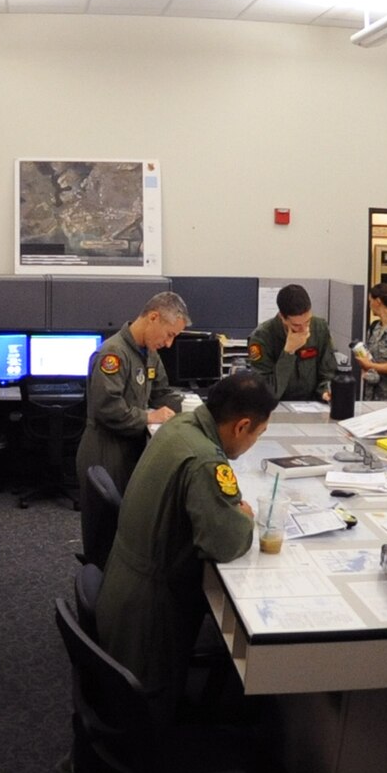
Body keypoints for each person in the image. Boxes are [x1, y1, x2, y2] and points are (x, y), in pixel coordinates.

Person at [94, 372, 274, 727]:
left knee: (126, 700)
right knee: (144, 714)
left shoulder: (180, 427)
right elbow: (224, 543)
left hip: (124, 581)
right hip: (152, 608)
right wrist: (243, 518)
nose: (255, 442)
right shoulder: (206, 460)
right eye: (259, 433)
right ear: (241, 426)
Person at [75, 291, 187, 511]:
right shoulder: (113, 353)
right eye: (169, 334)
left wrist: (197, 409)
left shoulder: (149, 353)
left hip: (129, 447)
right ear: (153, 317)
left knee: (124, 521)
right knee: (102, 529)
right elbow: (107, 408)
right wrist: (149, 416)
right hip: (105, 450)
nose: (169, 343)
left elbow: (161, 393)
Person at [248, 284, 336, 403]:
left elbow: (328, 373)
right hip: (275, 407)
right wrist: (288, 352)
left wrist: (326, 390)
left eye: (307, 321)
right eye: (296, 325)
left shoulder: (320, 328)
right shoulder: (261, 337)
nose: (304, 329)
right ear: (282, 317)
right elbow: (267, 393)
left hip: (313, 405)